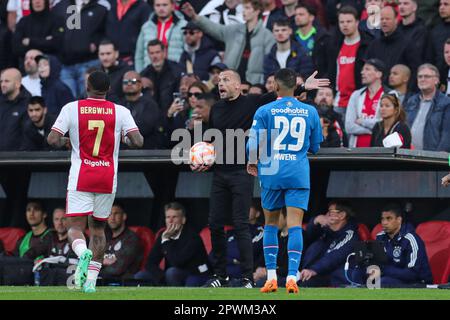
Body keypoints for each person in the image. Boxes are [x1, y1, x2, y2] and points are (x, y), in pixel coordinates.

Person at [190, 68, 329, 289]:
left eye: (226, 80)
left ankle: (249, 277)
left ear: (238, 85)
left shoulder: (254, 104)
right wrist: (202, 158)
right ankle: (222, 275)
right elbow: (213, 141)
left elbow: (280, 93)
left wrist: (303, 87)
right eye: (219, 81)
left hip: (245, 172)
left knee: (244, 224)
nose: (220, 83)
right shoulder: (216, 109)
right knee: (215, 224)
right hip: (223, 172)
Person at [47, 70, 144, 293]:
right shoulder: (120, 111)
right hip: (107, 178)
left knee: (74, 227)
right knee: (98, 230)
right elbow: (138, 141)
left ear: (87, 86)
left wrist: (68, 141)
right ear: (108, 89)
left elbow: (52, 138)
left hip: (81, 176)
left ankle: (82, 254)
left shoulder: (72, 108)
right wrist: (122, 137)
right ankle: (90, 281)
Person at [246, 68, 322, 294]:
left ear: (276, 87)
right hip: (298, 173)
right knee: (295, 225)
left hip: (272, 171)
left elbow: (253, 144)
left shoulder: (264, 110)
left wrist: (252, 161)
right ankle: (292, 276)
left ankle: (271, 277)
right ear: (295, 85)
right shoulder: (310, 111)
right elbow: (315, 147)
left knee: (270, 224)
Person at [182, 0, 276, 84]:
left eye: (247, 8)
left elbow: (269, 65)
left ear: (257, 11)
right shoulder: (234, 30)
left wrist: (260, 85)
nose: (244, 11)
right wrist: (194, 17)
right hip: (231, 83)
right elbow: (214, 28)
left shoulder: (267, 36)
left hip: (253, 85)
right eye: (243, 8)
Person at [135, 202, 211, 287]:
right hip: (171, 274)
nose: (170, 221)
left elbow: (177, 262)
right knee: (141, 276)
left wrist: (166, 240)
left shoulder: (193, 237)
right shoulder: (163, 236)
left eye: (174, 217)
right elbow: (150, 263)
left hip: (196, 274)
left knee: (172, 273)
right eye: (168, 217)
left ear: (183, 220)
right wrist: (161, 277)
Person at [53, 0, 106, 98]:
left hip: (89, 62)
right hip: (65, 65)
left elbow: (105, 33)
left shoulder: (100, 9)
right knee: (68, 101)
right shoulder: (61, 6)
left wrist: (96, 43)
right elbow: (55, 29)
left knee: (88, 100)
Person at [299, 200, 360, 287]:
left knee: (305, 284)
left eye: (330, 212)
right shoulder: (326, 231)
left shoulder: (350, 235)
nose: (326, 215)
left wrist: (313, 270)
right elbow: (306, 240)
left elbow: (334, 257)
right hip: (318, 272)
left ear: (342, 215)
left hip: (335, 277)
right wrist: (315, 221)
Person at [327, 5, 372, 119]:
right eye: (341, 22)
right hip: (339, 102)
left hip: (360, 101)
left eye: (349, 21)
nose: (345, 25)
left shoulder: (368, 44)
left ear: (357, 22)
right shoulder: (334, 45)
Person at [372, 203, 433, 287]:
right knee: (358, 275)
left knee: (382, 282)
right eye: (382, 219)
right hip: (391, 278)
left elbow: (412, 274)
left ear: (399, 220)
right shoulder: (380, 237)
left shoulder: (411, 239)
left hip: (417, 283)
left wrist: (384, 270)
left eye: (389, 219)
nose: (384, 223)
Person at [365, 5, 421, 85]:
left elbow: (414, 70)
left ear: (396, 20)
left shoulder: (407, 44)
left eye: (387, 19)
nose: (384, 21)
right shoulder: (374, 45)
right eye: (381, 19)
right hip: (377, 92)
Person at [404, 63, 450, 151]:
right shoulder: (411, 101)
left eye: (427, 76)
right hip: (408, 156)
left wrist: (438, 157)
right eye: (420, 77)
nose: (422, 79)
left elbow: (447, 134)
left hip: (431, 158)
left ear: (436, 80)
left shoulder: (446, 103)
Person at [118, 71, 167, 149]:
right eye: (125, 82)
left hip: (145, 153)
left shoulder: (150, 104)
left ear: (140, 84)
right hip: (123, 152)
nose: (129, 84)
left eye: (133, 81)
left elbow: (145, 127)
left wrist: (122, 129)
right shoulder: (119, 104)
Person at [134, 0, 187, 72]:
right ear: (154, 7)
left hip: (175, 74)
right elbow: (139, 55)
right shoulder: (146, 27)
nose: (161, 8)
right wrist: (140, 74)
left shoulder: (183, 26)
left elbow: (189, 53)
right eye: (158, 5)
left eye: (164, 5)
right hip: (150, 74)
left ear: (172, 6)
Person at [345, 58, 387, 148]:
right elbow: (349, 126)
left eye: (367, 69)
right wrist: (371, 130)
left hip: (380, 151)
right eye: (363, 69)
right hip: (356, 150)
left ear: (379, 74)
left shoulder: (390, 94)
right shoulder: (356, 95)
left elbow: (386, 125)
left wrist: (362, 121)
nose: (362, 72)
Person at [140, 39, 183, 113]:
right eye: (152, 53)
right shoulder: (144, 74)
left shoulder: (176, 71)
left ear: (164, 53)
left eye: (157, 52)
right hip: (152, 116)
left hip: (173, 114)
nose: (155, 56)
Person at [101, 203, 142, 281]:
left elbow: (118, 268)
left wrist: (97, 268)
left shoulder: (131, 239)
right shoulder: (104, 238)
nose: (112, 218)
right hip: (103, 279)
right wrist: (103, 260)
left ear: (124, 216)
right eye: (109, 214)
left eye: (116, 214)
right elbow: (93, 259)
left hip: (123, 282)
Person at [293, 3, 329, 77]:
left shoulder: (323, 37)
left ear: (311, 17)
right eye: (295, 15)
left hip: (318, 80)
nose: (297, 17)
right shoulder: (291, 37)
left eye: (301, 14)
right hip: (296, 81)